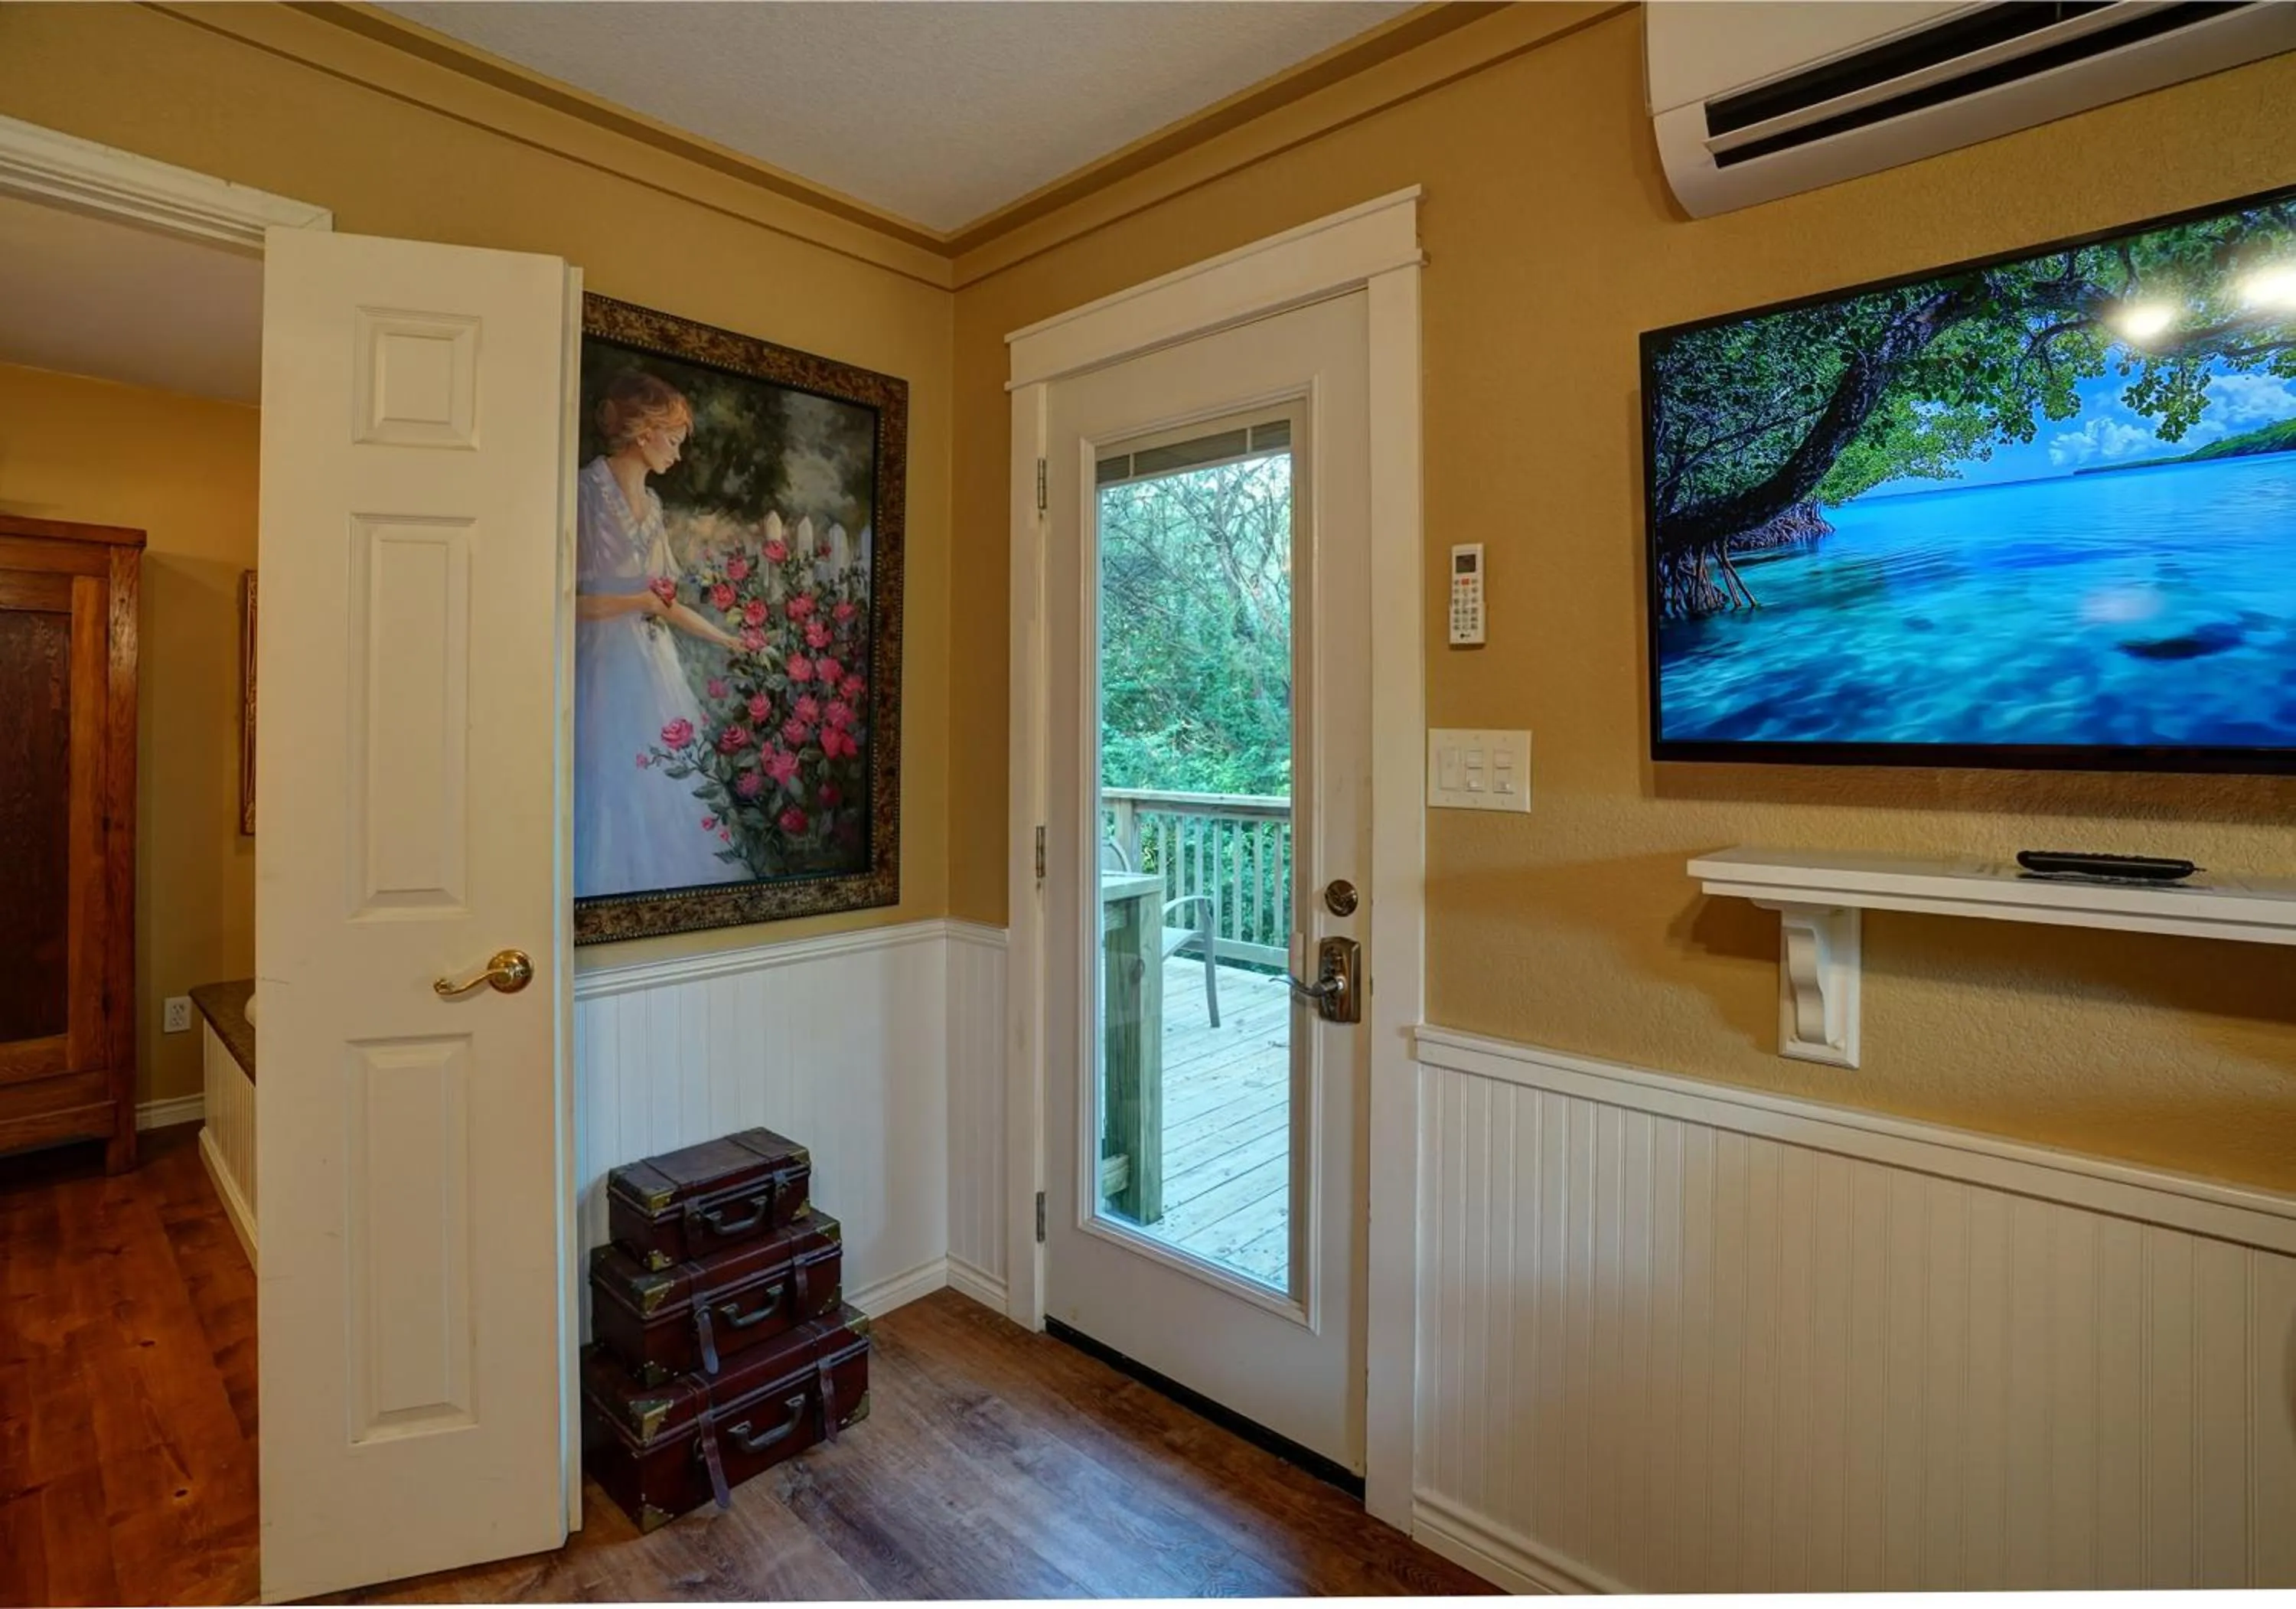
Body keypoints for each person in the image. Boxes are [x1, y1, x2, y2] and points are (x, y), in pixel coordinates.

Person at [574, 370, 742, 898]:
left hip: (652, 666)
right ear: (644, 433)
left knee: (666, 785)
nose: (678, 452)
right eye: (673, 439)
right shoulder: (586, 492)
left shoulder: (655, 506)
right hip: (600, 668)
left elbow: (666, 606)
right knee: (609, 782)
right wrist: (637, 602)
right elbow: (564, 602)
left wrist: (730, 641)